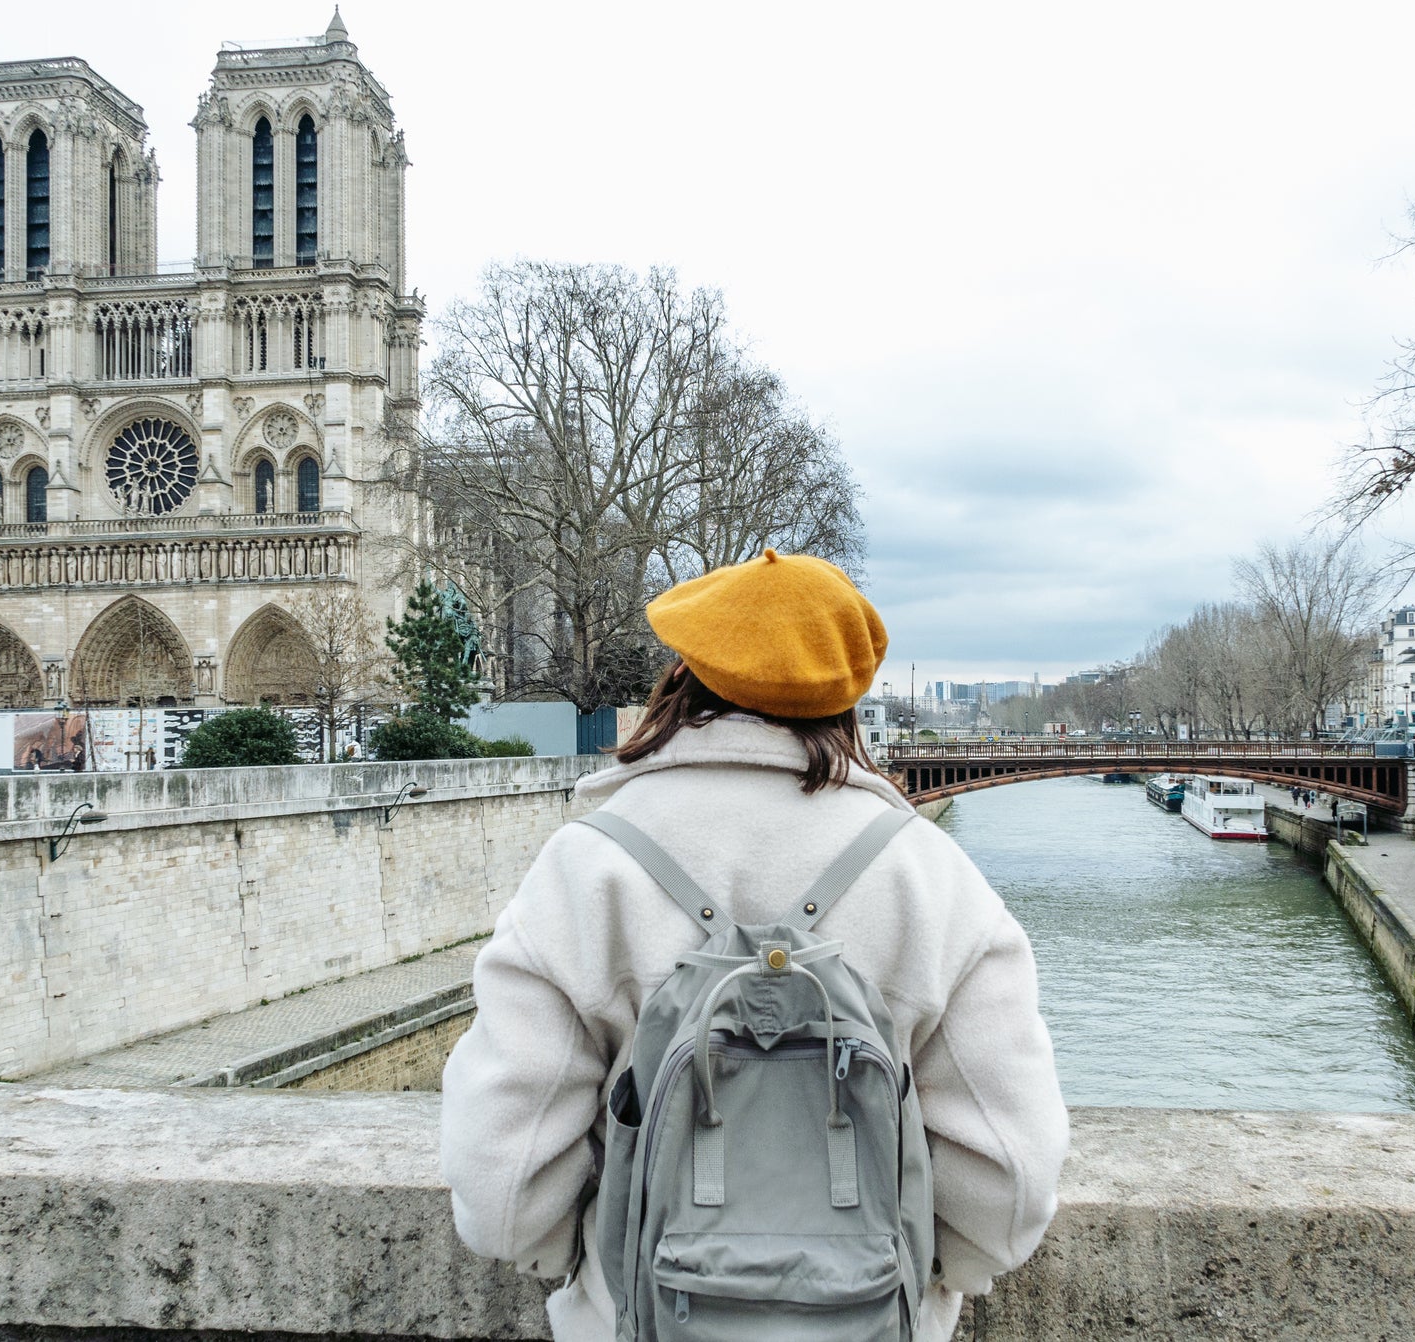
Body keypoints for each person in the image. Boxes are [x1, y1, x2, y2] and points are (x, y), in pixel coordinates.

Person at [441, 549, 1068, 1341]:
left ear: (685, 676)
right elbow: (1010, 1182)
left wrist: (596, 1276)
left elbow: (500, 1182)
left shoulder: (584, 868)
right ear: (848, 694)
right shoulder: (933, 877)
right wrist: (929, 1283)